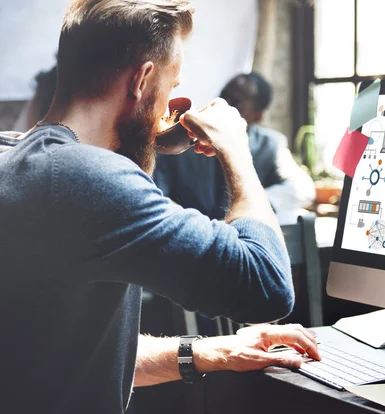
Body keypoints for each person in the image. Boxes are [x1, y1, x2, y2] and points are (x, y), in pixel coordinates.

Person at [0, 1, 319, 413]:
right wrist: (237, 151)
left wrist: (215, 351)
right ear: (143, 79)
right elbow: (268, 285)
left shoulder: (16, 156)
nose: (168, 105)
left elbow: (65, 355)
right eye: (171, 86)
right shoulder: (86, 177)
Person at [154, 72, 315, 223]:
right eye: (224, 95)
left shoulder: (270, 145)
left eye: (236, 102)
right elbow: (157, 195)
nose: (224, 104)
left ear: (257, 116)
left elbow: (302, 189)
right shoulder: (182, 140)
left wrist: (250, 205)